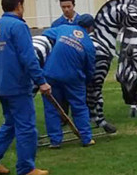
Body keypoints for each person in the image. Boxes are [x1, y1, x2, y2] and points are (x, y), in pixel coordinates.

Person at [0, 0, 52, 175]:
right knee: (26, 126)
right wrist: (41, 82)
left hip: (1, 85)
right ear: (19, 5)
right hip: (18, 84)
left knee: (10, 124)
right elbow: (28, 57)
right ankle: (26, 168)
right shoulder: (18, 27)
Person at [41, 14, 97, 148]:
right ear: (90, 28)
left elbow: (46, 33)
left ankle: (55, 141)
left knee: (51, 108)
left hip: (51, 74)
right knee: (79, 107)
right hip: (73, 79)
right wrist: (86, 81)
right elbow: (90, 69)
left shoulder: (63, 28)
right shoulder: (88, 45)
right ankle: (86, 138)